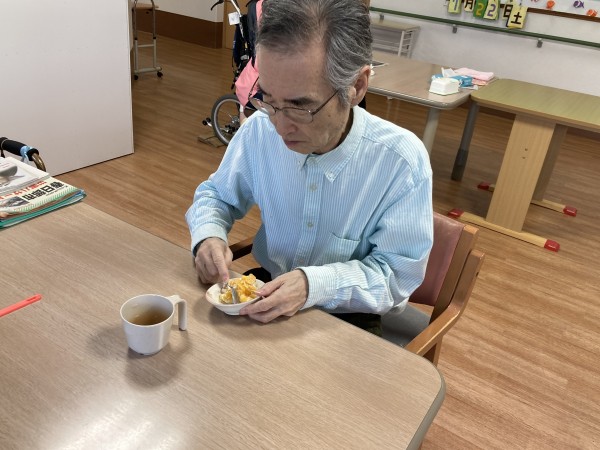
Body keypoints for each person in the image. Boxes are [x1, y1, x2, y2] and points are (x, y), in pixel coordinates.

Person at [186, 0, 433, 335]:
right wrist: (208, 236)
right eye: (268, 99)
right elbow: (216, 195)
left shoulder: (399, 161)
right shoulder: (259, 130)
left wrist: (312, 285)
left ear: (357, 87)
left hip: (348, 314)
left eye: (300, 107)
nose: (279, 125)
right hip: (268, 288)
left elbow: (396, 277)